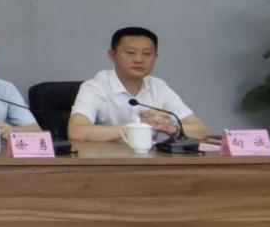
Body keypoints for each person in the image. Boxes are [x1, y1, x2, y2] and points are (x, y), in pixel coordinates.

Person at [68, 26, 210, 142]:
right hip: (108, 162)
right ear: (112, 55)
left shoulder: (158, 87)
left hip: (151, 161)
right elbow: (76, 132)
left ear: (155, 57)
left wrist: (171, 127)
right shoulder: (95, 87)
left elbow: (202, 131)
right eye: (130, 53)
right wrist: (136, 128)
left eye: (147, 54)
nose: (139, 60)